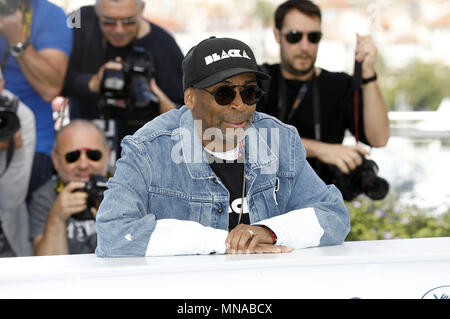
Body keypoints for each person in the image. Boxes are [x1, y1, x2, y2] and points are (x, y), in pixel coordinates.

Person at [95, 36, 350, 257]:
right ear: (190, 97)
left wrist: (269, 232)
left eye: (250, 93)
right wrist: (222, 241)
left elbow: (334, 216)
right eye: (224, 93)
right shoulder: (148, 149)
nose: (239, 105)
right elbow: (114, 232)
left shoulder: (280, 139)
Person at [257, 0, 389, 186]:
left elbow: (379, 138)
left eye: (313, 37)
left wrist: (368, 74)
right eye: (294, 36)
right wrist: (323, 150)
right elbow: (249, 137)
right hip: (266, 204)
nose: (305, 46)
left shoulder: (339, 85)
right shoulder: (257, 81)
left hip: (323, 206)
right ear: (277, 35)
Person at [62, 0, 184, 156]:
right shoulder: (82, 25)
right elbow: (53, 84)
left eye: (129, 22)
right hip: (87, 156)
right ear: (97, 12)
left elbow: (187, 118)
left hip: (144, 158)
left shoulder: (162, 44)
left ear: (141, 10)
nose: (119, 30)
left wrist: (156, 98)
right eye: (108, 22)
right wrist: (93, 83)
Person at [0, 0, 73, 194]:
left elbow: (50, 88)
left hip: (31, 146)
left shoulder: (50, 15)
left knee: (16, 219)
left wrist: (17, 38)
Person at [28, 120, 110, 255]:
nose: (83, 165)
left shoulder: (128, 187)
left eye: (93, 155)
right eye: (73, 157)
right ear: (55, 160)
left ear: (107, 155)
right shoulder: (44, 197)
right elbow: (48, 269)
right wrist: (56, 217)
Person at [0, 68, 36, 256]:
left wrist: (16, 152)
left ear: (2, 85)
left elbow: (11, 199)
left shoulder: (16, 116)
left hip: (8, 229)